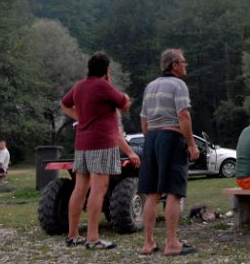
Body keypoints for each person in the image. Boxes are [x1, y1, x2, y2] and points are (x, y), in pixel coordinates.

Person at [60, 52, 131, 249]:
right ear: (106, 70)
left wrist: (80, 116)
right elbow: (124, 105)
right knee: (98, 189)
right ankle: (93, 238)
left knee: (80, 188)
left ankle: (73, 235)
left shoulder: (79, 85)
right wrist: (111, 83)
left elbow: (63, 104)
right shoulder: (103, 86)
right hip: (101, 142)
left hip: (82, 144)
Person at [138, 48, 199, 257]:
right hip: (171, 137)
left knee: (152, 194)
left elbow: (144, 120)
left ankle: (148, 243)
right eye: (183, 61)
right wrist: (191, 144)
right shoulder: (178, 84)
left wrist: (150, 142)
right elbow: (183, 115)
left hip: (152, 139)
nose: (186, 65)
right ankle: (172, 243)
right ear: (174, 65)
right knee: (173, 191)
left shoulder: (150, 86)